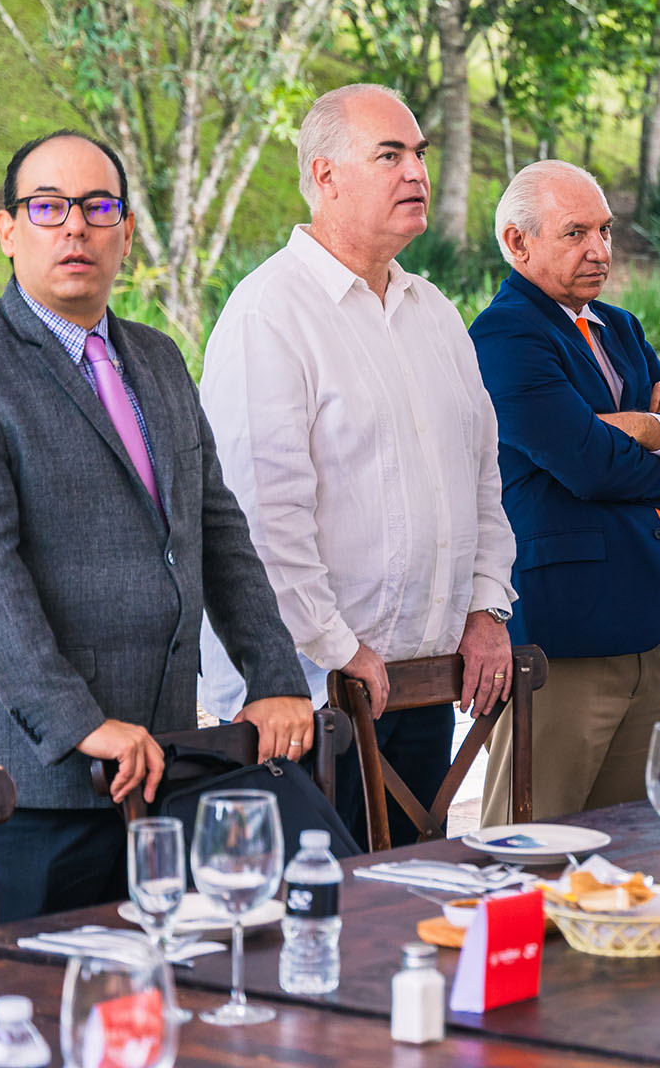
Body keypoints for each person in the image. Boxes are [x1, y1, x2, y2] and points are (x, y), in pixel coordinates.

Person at [0, 131, 312, 932]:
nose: (75, 228)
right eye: (48, 207)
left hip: (159, 768)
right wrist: (79, 724)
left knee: (151, 1023)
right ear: (7, 229)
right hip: (28, 787)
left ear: (126, 231)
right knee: (23, 1035)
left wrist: (273, 674)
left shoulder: (157, 358)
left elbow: (218, 530)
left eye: (98, 208)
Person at [197, 84, 518, 850]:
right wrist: (340, 649)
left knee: (407, 916)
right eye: (390, 155)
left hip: (422, 683)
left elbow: (481, 477)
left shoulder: (432, 310)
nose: (417, 173)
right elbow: (260, 523)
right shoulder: (268, 315)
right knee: (317, 941)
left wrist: (484, 608)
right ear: (326, 175)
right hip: (304, 700)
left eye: (420, 154)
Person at [471, 160, 660, 820]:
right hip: (563, 633)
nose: (600, 250)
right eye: (575, 232)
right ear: (517, 242)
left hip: (644, 622)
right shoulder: (506, 335)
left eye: (606, 231)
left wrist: (643, 425)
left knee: (626, 845)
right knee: (531, 842)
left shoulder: (619, 326)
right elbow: (588, 464)